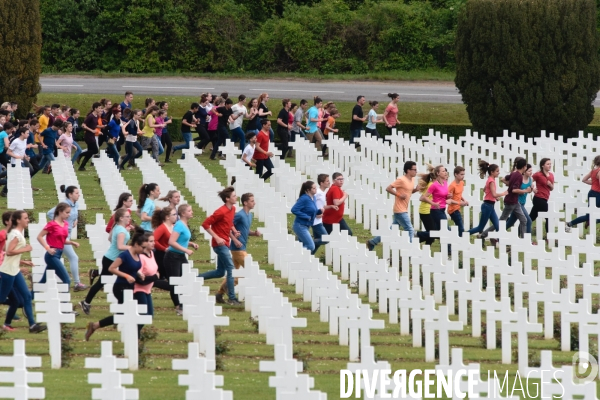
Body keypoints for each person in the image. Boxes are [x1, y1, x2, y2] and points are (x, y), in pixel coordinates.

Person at [85, 228, 150, 341]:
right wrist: (126, 276)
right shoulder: (124, 255)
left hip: (130, 287)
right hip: (121, 287)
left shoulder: (137, 254)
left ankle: (95, 326)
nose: (144, 250)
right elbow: (112, 268)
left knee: (122, 315)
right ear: (135, 244)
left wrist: (139, 273)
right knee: (130, 313)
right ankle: (135, 339)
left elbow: (133, 268)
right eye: (143, 247)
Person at [0, 211, 47, 333]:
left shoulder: (16, 233)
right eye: (25, 218)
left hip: (14, 271)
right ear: (18, 220)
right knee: (1, 298)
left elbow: (5, 250)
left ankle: (32, 325)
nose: (28, 220)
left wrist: (23, 261)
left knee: (26, 296)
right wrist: (25, 249)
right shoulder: (16, 234)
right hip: (7, 272)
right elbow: (9, 252)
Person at [79, 208, 132, 315]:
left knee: (105, 281)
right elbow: (120, 246)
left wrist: (126, 232)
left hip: (110, 258)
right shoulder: (121, 230)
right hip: (111, 260)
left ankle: (86, 302)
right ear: (121, 218)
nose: (130, 218)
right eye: (127, 216)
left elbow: (110, 239)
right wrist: (132, 247)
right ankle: (86, 302)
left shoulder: (117, 227)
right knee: (102, 282)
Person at [198, 187, 242, 306]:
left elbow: (228, 223)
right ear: (227, 199)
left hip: (226, 244)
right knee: (231, 269)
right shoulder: (220, 212)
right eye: (234, 196)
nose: (236, 197)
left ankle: (195, 278)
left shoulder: (232, 209)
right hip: (219, 245)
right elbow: (205, 224)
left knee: (220, 272)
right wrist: (216, 237)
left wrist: (234, 232)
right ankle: (232, 298)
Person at [216, 193, 261, 304]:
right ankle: (229, 287)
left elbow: (244, 230)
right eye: (251, 201)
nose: (254, 203)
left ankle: (220, 294)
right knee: (250, 269)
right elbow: (228, 227)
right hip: (237, 248)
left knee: (233, 272)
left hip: (242, 248)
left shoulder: (250, 215)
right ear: (245, 202)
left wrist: (254, 233)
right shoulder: (239, 215)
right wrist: (235, 240)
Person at [367, 161, 420, 249]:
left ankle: (372, 242)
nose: (416, 171)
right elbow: (388, 188)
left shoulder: (412, 179)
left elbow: (408, 192)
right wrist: (399, 195)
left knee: (391, 231)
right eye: (414, 170)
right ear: (408, 170)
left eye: (416, 169)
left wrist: (415, 190)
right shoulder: (401, 180)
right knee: (410, 230)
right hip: (400, 210)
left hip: (404, 208)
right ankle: (411, 251)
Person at [47, 185, 88, 291]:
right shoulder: (64, 205)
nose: (78, 195)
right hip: (62, 236)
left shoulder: (76, 204)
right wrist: (60, 223)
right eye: (76, 193)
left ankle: (41, 279)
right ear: (70, 194)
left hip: (67, 234)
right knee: (74, 258)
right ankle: (77, 283)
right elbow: (50, 213)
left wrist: (76, 220)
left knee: (53, 260)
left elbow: (75, 214)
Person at [480, 158, 530, 241]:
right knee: (501, 222)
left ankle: (524, 241)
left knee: (523, 220)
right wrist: (526, 191)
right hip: (510, 202)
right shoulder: (518, 176)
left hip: (515, 201)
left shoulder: (514, 174)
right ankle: (484, 234)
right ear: (524, 167)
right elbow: (514, 190)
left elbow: (503, 179)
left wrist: (510, 185)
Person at [164, 204, 198, 314]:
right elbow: (171, 242)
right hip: (172, 257)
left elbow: (180, 240)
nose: (192, 212)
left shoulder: (183, 224)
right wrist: (186, 250)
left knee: (185, 280)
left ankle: (183, 304)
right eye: (189, 210)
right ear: (183, 213)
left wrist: (191, 244)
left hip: (180, 256)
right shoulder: (179, 225)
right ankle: (178, 307)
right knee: (175, 283)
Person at [37, 202, 80, 288]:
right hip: (52, 255)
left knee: (43, 281)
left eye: (69, 212)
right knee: (67, 280)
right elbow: (39, 237)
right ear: (60, 212)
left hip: (58, 253)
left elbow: (62, 240)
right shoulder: (52, 224)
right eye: (67, 212)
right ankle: (65, 301)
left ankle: (27, 299)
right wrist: (47, 248)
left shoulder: (65, 224)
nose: (69, 215)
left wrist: (71, 242)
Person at [467, 161, 508, 237]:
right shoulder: (491, 181)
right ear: (492, 172)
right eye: (497, 171)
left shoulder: (490, 179)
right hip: (487, 206)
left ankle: (500, 243)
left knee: (498, 226)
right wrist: (503, 193)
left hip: (490, 206)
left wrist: (495, 197)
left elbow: (485, 189)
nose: (499, 173)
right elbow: (493, 193)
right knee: (480, 228)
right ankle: (462, 235)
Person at [134, 234, 160, 334]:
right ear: (144, 243)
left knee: (149, 315)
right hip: (138, 290)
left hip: (147, 290)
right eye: (150, 241)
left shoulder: (152, 254)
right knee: (144, 315)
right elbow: (140, 279)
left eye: (154, 241)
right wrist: (155, 277)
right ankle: (134, 336)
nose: (153, 243)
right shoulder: (140, 257)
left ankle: (135, 335)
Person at [566, 155, 600, 232]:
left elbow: (584, 180)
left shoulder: (593, 171)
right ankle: (571, 223)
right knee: (589, 216)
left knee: (589, 215)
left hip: (592, 193)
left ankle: (571, 223)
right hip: (598, 194)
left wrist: (594, 184)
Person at [292, 181, 324, 254]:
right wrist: (306, 217)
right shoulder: (304, 198)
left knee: (302, 245)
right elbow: (294, 209)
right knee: (310, 246)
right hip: (300, 225)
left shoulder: (314, 198)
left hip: (307, 226)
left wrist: (319, 211)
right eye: (314, 188)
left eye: (316, 188)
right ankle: (295, 256)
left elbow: (312, 210)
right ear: (308, 190)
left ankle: (299, 262)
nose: (316, 189)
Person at [151, 207, 176, 292]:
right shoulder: (162, 228)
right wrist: (164, 249)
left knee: (173, 279)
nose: (176, 216)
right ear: (167, 217)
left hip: (170, 255)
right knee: (171, 279)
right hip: (161, 256)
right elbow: (153, 240)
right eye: (174, 214)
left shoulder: (173, 226)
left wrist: (190, 244)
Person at [505, 163, 534, 238]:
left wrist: (531, 189)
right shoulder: (519, 178)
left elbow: (529, 190)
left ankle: (496, 237)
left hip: (522, 203)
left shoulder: (530, 179)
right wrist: (525, 190)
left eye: (531, 171)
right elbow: (515, 189)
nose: (531, 173)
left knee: (510, 223)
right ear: (524, 171)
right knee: (528, 221)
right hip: (517, 203)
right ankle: (527, 241)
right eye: (529, 171)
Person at [530, 158, 554, 237]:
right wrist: (532, 189)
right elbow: (529, 181)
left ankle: (520, 231)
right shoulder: (538, 174)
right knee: (548, 217)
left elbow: (551, 188)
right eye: (547, 164)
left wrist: (550, 185)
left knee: (531, 217)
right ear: (542, 165)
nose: (549, 165)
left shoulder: (551, 175)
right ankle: (549, 237)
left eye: (550, 164)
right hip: (539, 198)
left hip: (545, 198)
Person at [313, 174, 335, 254]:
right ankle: (308, 242)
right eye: (327, 181)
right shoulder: (317, 193)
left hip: (319, 220)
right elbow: (310, 203)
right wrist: (315, 213)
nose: (329, 182)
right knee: (326, 239)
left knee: (317, 240)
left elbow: (322, 206)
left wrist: (331, 206)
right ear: (321, 183)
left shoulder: (322, 193)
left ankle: (308, 256)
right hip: (316, 221)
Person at [78, 102, 104, 171]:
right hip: (88, 136)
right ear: (95, 109)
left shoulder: (97, 116)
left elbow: (94, 125)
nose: (100, 109)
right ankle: (80, 155)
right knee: (95, 150)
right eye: (99, 108)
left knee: (90, 152)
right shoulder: (91, 116)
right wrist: (92, 130)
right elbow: (83, 125)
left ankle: (81, 167)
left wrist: (101, 127)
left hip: (92, 135)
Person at [447, 166, 469, 237]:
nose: (463, 176)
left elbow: (458, 194)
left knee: (459, 227)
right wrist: (460, 203)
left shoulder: (462, 183)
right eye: (461, 174)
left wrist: (464, 200)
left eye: (463, 174)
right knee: (461, 228)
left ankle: (453, 238)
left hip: (458, 208)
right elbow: (449, 199)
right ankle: (459, 241)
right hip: (453, 209)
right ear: (456, 174)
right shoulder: (452, 186)